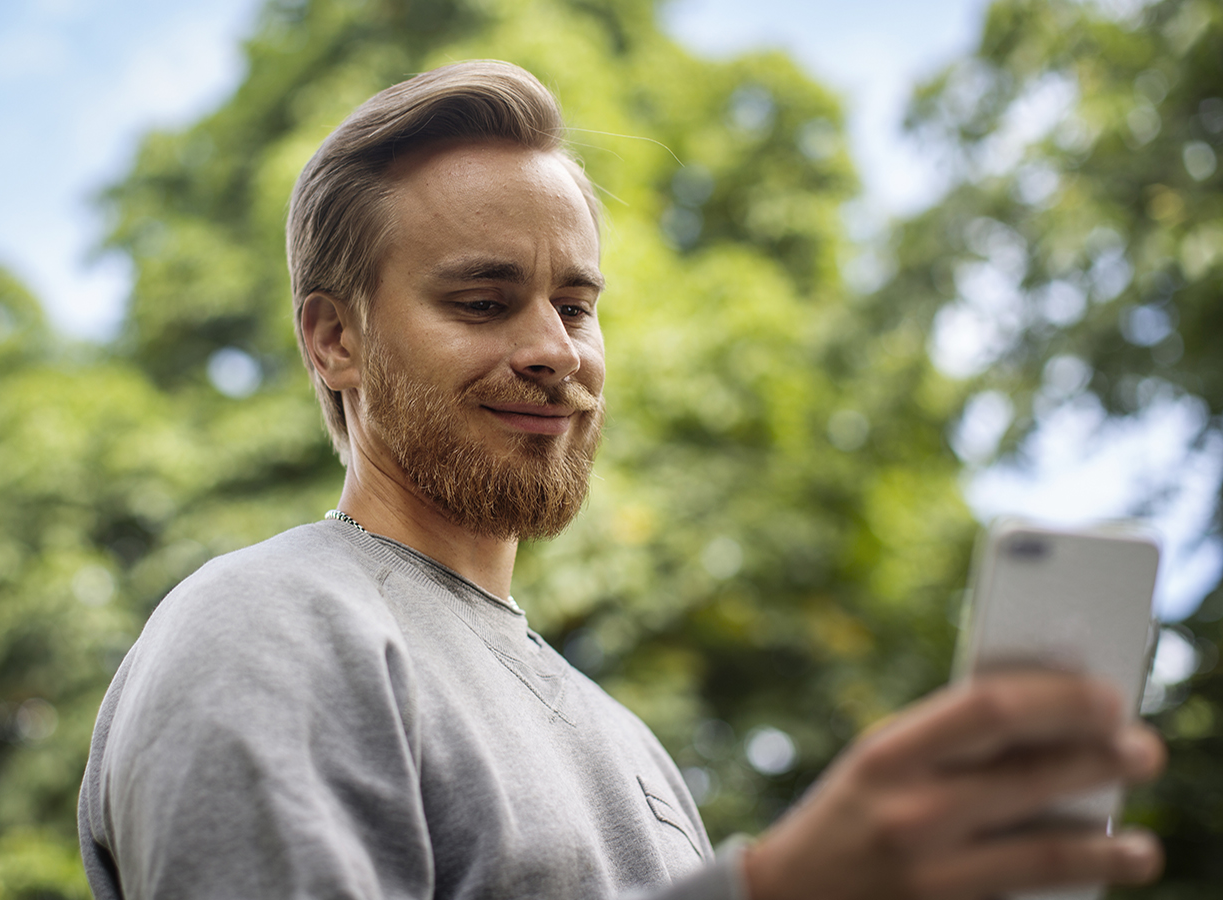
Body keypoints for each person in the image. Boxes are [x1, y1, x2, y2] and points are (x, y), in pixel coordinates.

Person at [77, 60, 1167, 900]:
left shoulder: (622, 741)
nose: (556, 349)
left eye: (577, 303)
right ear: (333, 341)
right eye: (481, 300)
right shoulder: (268, 627)